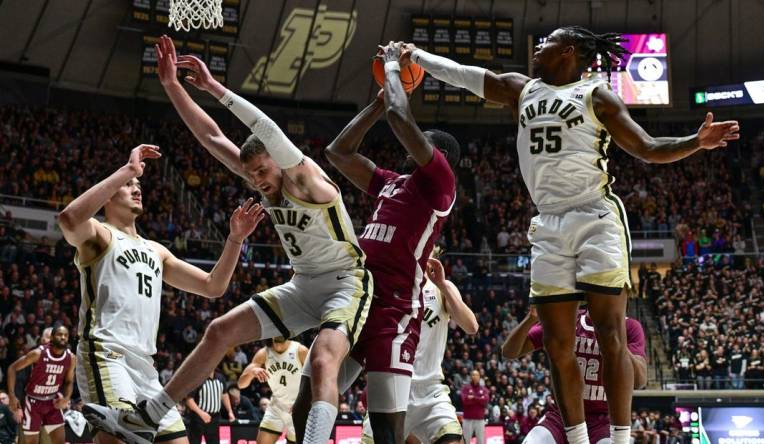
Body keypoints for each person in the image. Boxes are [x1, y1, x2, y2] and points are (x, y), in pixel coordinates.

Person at [401, 26, 738, 444]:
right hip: (548, 223)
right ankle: (576, 438)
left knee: (608, 331)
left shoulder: (597, 96)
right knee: (559, 343)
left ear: (569, 51)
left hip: (596, 217)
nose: (538, 47)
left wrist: (697, 142)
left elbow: (648, 147)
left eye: (547, 43)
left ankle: (619, 437)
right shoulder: (521, 90)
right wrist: (417, 56)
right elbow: (464, 74)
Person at [84, 35, 373, 444]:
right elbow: (212, 138)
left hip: (347, 281)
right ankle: (150, 415)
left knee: (325, 359)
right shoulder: (264, 182)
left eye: (259, 169)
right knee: (219, 331)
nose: (254, 179)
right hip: (304, 283)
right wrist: (172, 86)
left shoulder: (307, 179)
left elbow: (265, 128)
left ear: (278, 158)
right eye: (249, 173)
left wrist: (215, 88)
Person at [293, 42, 460, 444]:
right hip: (356, 298)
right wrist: (377, 103)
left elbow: (401, 118)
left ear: (437, 155)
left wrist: (390, 68)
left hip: (395, 309)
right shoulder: (391, 182)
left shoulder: (440, 184)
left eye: (422, 143)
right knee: (304, 401)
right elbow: (338, 152)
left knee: (386, 431)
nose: (409, 147)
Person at [59, 142, 264, 444]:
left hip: (146, 367)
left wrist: (234, 240)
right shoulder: (100, 235)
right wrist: (128, 169)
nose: (136, 188)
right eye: (128, 185)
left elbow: (213, 286)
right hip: (107, 355)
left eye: (138, 184)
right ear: (108, 194)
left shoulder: (156, 251)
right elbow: (68, 219)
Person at [361, 252, 478, 444]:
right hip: (391, 388)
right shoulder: (388, 287)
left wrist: (442, 284)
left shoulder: (442, 288)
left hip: (430, 391)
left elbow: (471, 326)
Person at [501, 307, 647, 444]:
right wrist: (530, 319)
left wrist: (617, 341)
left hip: (602, 421)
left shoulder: (630, 327)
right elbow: (508, 352)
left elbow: (640, 380)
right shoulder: (569, 318)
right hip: (560, 416)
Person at [6, 325, 74, 444]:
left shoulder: (71, 357)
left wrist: (67, 398)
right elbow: (12, 368)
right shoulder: (38, 353)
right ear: (52, 337)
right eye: (59, 334)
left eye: (66, 335)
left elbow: (69, 381)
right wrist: (12, 396)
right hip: (33, 402)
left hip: (53, 402)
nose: (63, 337)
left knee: (60, 441)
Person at [238, 338, 308, 444]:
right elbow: (241, 384)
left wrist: (303, 402)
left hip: (297, 407)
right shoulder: (264, 353)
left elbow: (315, 379)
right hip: (277, 406)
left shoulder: (300, 350)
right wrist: (252, 372)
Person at [185, 369, 233, 444]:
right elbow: (189, 400)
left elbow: (224, 394)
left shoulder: (220, 378)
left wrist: (230, 411)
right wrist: (201, 413)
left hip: (215, 418)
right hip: (198, 418)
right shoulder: (198, 378)